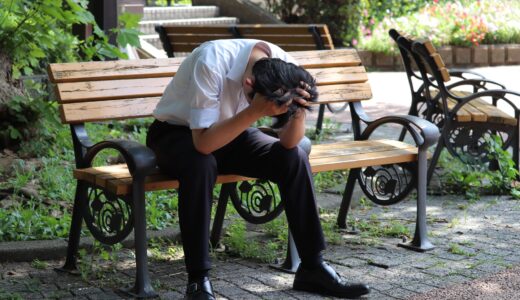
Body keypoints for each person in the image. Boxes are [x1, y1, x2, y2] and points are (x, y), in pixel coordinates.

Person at [147, 39, 370, 300]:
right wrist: (254, 111)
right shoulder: (211, 61)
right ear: (248, 84)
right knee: (201, 164)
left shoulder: (286, 67)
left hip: (233, 131)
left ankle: (312, 266)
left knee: (294, 157)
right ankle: (198, 280)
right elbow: (204, 143)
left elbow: (288, 142)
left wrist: (297, 112)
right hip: (177, 134)